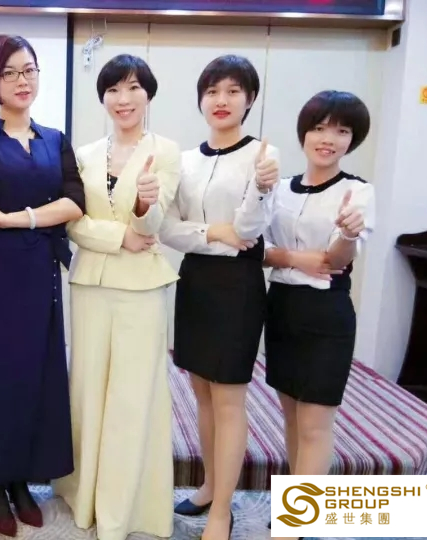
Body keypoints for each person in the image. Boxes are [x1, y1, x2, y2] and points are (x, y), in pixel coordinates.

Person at [0, 34, 85, 538]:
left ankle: (22, 478)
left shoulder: (54, 138)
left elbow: (74, 201)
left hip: (39, 269)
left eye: (29, 70)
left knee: (35, 374)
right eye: (9, 72)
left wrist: (14, 217)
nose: (22, 80)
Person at [52, 54, 181, 540]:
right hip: (89, 283)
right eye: (112, 90)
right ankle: (81, 493)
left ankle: (125, 507)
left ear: (148, 94)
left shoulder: (165, 151)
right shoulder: (84, 154)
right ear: (103, 97)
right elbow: (72, 220)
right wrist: (118, 236)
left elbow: (153, 225)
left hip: (141, 289)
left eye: (132, 88)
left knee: (132, 395)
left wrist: (144, 203)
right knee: (87, 389)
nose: (122, 99)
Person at [159, 54, 280, 540]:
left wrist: (258, 194)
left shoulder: (261, 157)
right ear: (201, 100)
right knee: (202, 394)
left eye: (233, 90)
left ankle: (222, 511)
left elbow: (249, 233)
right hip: (195, 282)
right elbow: (168, 229)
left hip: (238, 287)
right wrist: (214, 232)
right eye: (212, 91)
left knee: (229, 399)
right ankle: (210, 485)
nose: (222, 100)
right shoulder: (186, 161)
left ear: (250, 99)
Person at [263, 90, 373, 539]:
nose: (329, 139)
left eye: (342, 131)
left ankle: (296, 524)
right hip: (281, 308)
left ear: (352, 140)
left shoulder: (357, 192)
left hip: (326, 313)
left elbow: (337, 260)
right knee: (290, 414)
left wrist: (346, 234)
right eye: (320, 128)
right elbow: (259, 251)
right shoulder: (281, 189)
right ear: (304, 133)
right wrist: (294, 258)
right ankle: (297, 508)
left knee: (315, 421)